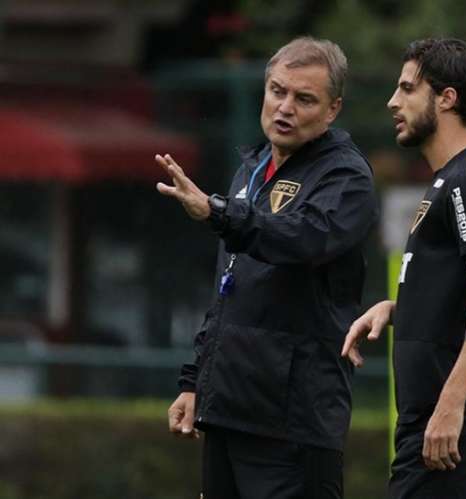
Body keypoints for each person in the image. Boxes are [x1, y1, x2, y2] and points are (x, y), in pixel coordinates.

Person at [158, 36, 378, 499]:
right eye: (278, 91)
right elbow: (229, 291)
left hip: (293, 423)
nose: (285, 107)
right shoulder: (252, 169)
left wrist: (220, 214)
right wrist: (196, 381)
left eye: (304, 99)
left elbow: (301, 238)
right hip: (230, 410)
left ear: (333, 109)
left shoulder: (346, 177)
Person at [341, 38, 466, 498]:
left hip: (450, 425)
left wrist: (450, 403)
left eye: (407, 89)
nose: (392, 102)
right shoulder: (449, 181)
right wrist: (399, 307)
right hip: (438, 424)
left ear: (446, 98)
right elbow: (462, 290)